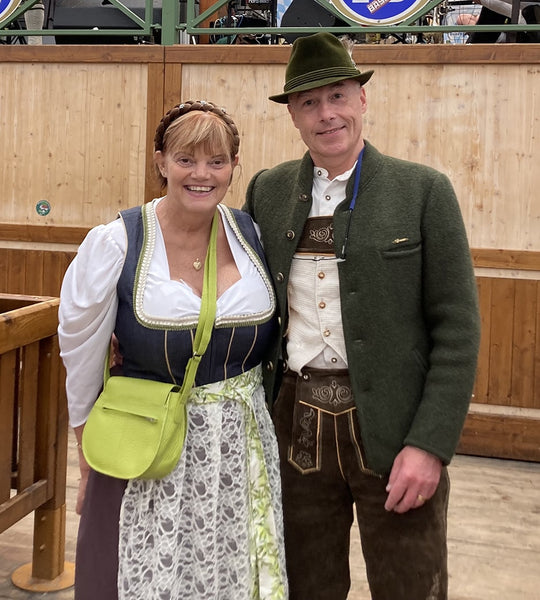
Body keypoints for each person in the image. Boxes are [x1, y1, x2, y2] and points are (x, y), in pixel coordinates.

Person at [244, 32, 481, 600]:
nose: (327, 114)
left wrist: (430, 445)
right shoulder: (268, 191)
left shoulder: (423, 191)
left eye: (338, 96)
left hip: (395, 430)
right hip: (295, 426)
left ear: (362, 100)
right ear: (294, 117)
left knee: (409, 585)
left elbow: (458, 328)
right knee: (305, 584)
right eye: (309, 103)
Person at [58, 100, 288, 600]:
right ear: (160, 161)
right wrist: (86, 456)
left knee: (232, 574)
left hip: (238, 452)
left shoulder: (250, 234)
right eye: (186, 159)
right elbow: (79, 353)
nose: (201, 174)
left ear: (233, 167)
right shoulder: (117, 242)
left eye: (217, 161)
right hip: (147, 448)